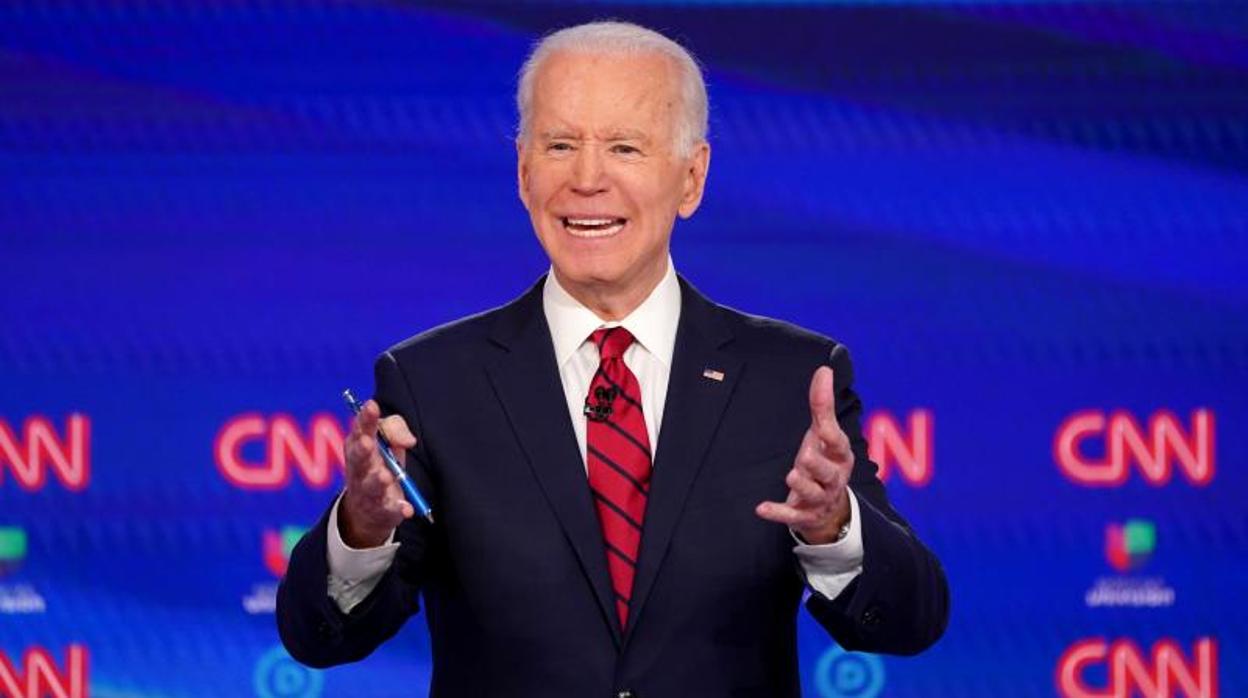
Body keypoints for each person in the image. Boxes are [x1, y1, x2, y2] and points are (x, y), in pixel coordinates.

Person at [277, 21, 948, 697]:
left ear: (691, 178)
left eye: (624, 148)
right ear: (523, 171)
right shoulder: (431, 382)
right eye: (560, 145)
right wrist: (361, 531)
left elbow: (910, 621)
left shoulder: (790, 382)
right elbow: (320, 637)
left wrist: (834, 527)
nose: (587, 179)